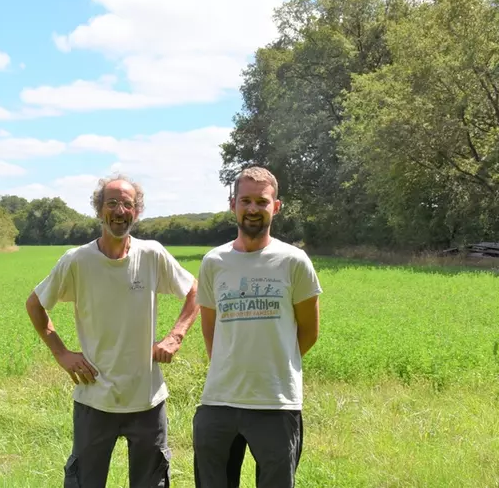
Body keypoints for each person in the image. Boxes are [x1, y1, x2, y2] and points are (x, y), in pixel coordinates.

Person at [25, 174, 199, 488]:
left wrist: (176, 335)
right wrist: (61, 353)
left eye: (128, 204)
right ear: (99, 210)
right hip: (95, 398)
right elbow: (35, 304)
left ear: (137, 212)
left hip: (147, 400)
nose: (120, 210)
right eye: (112, 203)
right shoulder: (77, 261)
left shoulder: (152, 254)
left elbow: (195, 291)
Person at [192, 166, 323, 488]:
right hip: (219, 402)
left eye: (261, 202)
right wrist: (230, 364)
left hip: (276, 402)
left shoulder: (293, 261)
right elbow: (210, 329)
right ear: (232, 203)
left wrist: (276, 363)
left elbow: (309, 331)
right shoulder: (214, 262)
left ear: (275, 206)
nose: (253, 208)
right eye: (246, 200)